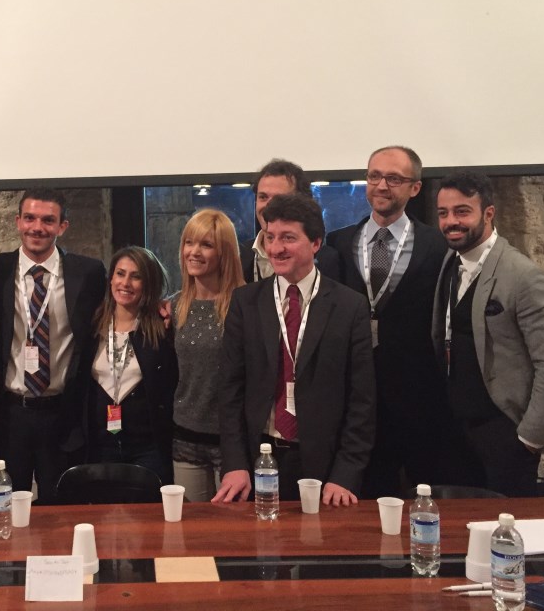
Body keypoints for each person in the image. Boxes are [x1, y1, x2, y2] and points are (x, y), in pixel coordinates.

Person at [214, 192, 375, 507]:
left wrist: (345, 474)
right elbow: (230, 390)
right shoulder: (245, 302)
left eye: (288, 238)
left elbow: (362, 401)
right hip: (259, 458)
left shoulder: (349, 306)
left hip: (325, 467)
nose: (276, 248)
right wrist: (234, 463)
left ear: (316, 243)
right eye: (270, 237)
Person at [432, 172, 544, 497]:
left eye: (462, 211)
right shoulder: (450, 262)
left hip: (506, 435)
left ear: (488, 213)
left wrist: (530, 439)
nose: (451, 221)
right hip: (457, 431)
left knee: (508, 526)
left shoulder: (525, 276)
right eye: (443, 213)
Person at [324, 146, 448, 497]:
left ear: (415, 188)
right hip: (356, 397)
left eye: (394, 178)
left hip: (416, 398)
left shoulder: (437, 245)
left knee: (422, 498)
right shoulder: (338, 242)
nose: (381, 185)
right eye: (374, 176)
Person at [0, 189, 106, 504]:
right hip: (10, 414)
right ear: (18, 222)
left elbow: (121, 306)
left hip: (62, 415)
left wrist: (161, 307)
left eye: (48, 220)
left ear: (63, 226)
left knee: (61, 508)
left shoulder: (88, 273)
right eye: (30, 218)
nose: (37, 227)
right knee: (7, 505)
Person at [83, 247, 178, 483]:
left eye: (136, 276)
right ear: (110, 278)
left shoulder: (162, 328)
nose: (125, 283)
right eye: (120, 273)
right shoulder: (91, 323)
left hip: (147, 448)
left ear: (149, 283)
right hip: (99, 444)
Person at [170, 209, 245, 501]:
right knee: (190, 526)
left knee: (234, 527)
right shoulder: (175, 306)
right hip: (185, 438)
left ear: (224, 252)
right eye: (189, 243)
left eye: (206, 245)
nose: (194, 252)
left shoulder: (245, 304)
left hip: (233, 442)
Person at [239, 159, 341, 283]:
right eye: (263, 197)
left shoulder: (327, 260)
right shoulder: (238, 255)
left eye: (279, 198)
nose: (268, 205)